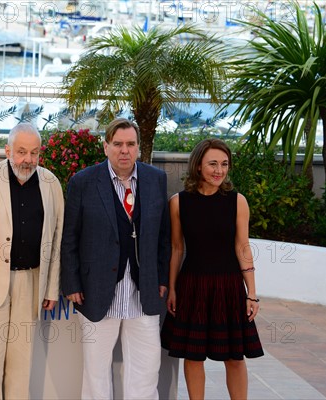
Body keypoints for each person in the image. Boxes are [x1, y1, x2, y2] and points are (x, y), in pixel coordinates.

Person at [60, 118, 171, 399]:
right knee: (96, 370)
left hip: (143, 291)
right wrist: (71, 283)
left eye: (131, 144)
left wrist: (160, 278)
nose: (125, 150)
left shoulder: (156, 180)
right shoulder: (83, 182)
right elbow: (69, 238)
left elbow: (163, 237)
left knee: (147, 369)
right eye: (118, 144)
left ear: (138, 148)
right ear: (106, 146)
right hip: (96, 290)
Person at [0, 122, 64, 399]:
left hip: (31, 281)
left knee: (22, 360)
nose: (27, 160)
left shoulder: (51, 183)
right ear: (7, 150)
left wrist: (51, 288)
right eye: (21, 152)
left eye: (34, 153)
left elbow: (56, 241)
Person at [160, 138, 264, 399]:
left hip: (229, 286)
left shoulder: (237, 201)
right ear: (198, 167)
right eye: (213, 164)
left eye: (225, 164)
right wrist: (172, 288)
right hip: (192, 285)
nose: (220, 170)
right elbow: (177, 248)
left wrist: (251, 293)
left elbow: (243, 247)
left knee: (234, 356)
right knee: (193, 356)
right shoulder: (178, 202)